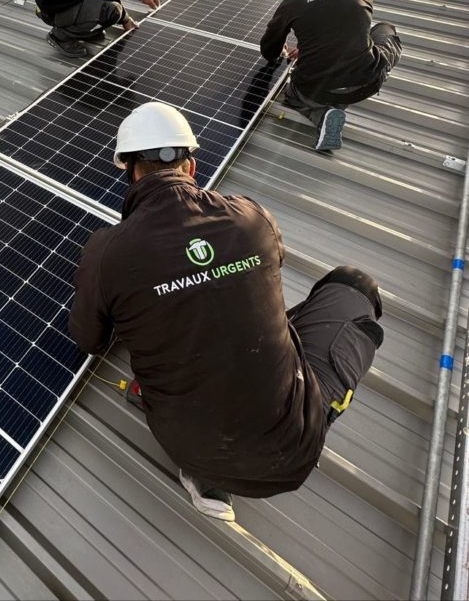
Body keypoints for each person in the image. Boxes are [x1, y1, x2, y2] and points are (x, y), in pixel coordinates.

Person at [69, 101, 384, 521]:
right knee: (354, 284)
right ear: (193, 167)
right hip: (292, 452)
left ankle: (203, 477)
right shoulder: (252, 218)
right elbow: (271, 267)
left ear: (128, 171)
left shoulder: (106, 251)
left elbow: (88, 339)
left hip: (189, 448)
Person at [260, 0, 402, 152]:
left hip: (315, 90)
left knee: (291, 94)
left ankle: (321, 115)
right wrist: (308, 45)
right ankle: (378, 71)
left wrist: (287, 49)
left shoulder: (295, 0)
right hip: (365, 83)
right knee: (385, 29)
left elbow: (269, 51)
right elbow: (344, 27)